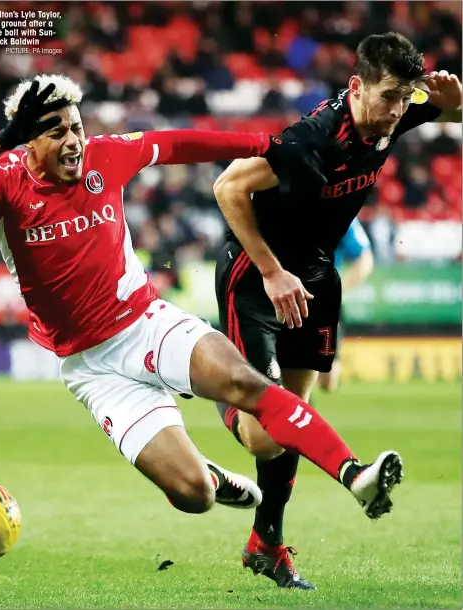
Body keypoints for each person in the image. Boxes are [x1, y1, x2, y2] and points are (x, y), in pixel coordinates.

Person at [0, 76, 401, 554]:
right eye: (56, 132)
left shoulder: (106, 154)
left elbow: (178, 143)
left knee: (249, 385)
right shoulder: (5, 183)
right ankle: (208, 474)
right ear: (28, 139)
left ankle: (355, 474)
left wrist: (267, 144)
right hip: (92, 369)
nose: (74, 141)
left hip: (146, 324)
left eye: (76, 127)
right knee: (194, 496)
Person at [213, 32, 462, 589]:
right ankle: (213, 385)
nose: (398, 110)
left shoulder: (393, 116)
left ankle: (266, 543)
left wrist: (453, 98)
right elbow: (227, 187)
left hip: (317, 276)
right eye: (389, 97)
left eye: (406, 98)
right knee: (266, 435)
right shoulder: (311, 139)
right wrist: (273, 271)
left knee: (295, 420)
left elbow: (447, 107)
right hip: (257, 276)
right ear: (356, 87)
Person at [318, 217, 374, 392]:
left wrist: (339, 289)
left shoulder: (344, 214)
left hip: (325, 299)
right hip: (287, 293)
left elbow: (365, 260)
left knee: (329, 382)